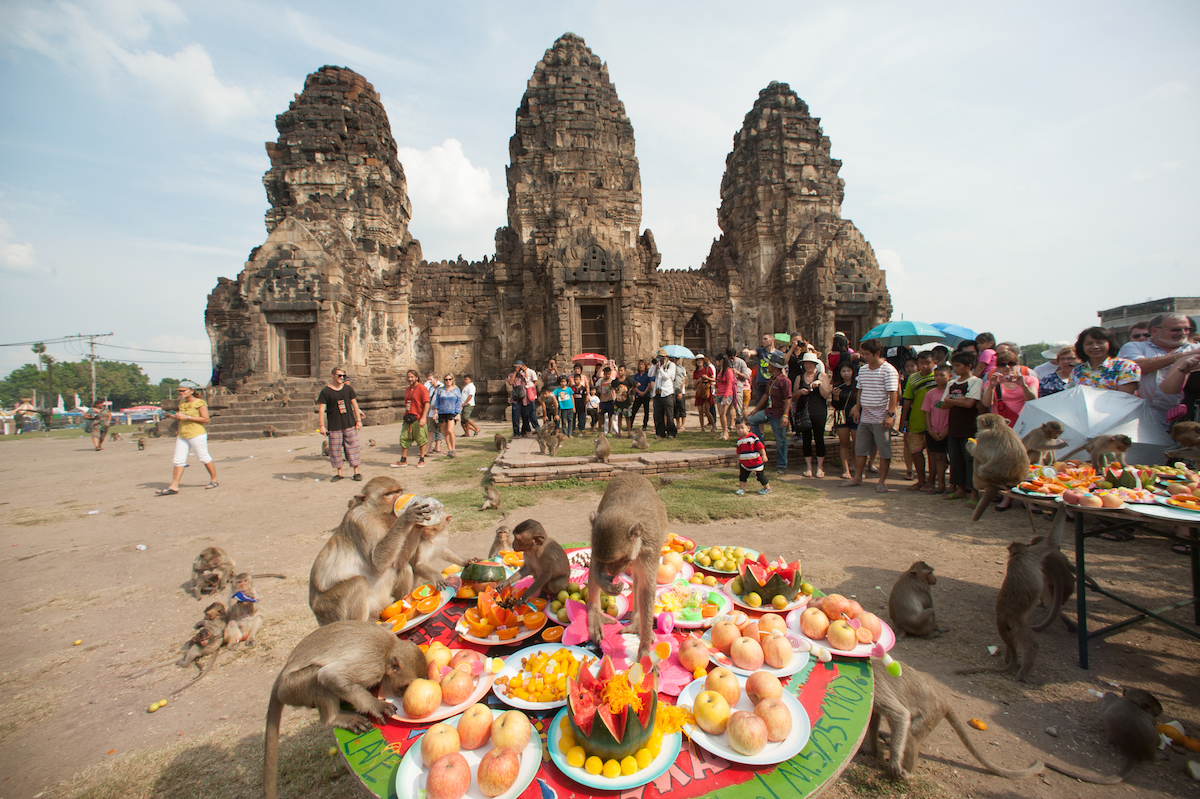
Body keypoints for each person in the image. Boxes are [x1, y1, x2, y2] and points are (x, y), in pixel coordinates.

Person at [1117, 312, 1200, 429]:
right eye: (1176, 329)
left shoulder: (1196, 349)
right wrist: (1181, 357)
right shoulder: (1135, 347)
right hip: (1142, 419)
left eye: (1186, 329)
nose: (1183, 333)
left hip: (1186, 419)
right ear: (1155, 331)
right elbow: (1136, 367)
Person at [840, 339, 899, 492]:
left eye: (867, 354)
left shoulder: (889, 370)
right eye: (863, 354)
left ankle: (882, 481)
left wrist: (890, 414)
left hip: (881, 415)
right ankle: (857, 477)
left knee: (884, 450)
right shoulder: (864, 370)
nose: (864, 357)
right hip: (866, 415)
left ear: (877, 353)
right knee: (860, 449)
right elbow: (860, 390)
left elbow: (893, 394)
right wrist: (857, 408)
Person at [156, 381, 217, 494]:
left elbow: (206, 419)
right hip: (183, 434)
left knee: (203, 457)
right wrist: (176, 417)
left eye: (183, 391)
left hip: (197, 433)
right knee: (178, 460)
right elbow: (183, 417)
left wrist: (187, 417)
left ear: (192, 390)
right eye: (179, 391)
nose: (181, 393)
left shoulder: (199, 403)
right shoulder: (182, 403)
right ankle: (174, 486)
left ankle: (214, 479)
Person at [941, 352, 982, 503]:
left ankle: (974, 492)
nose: (955, 369)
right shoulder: (951, 383)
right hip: (954, 426)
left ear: (969, 366)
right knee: (956, 459)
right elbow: (943, 404)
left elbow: (970, 404)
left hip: (969, 427)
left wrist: (951, 399)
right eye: (954, 366)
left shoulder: (975, 381)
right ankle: (960, 489)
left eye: (958, 365)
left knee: (970, 460)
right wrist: (960, 400)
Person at [747, 351, 792, 475]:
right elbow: (766, 395)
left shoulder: (785, 381)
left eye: (769, 365)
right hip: (769, 410)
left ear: (775, 367)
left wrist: (785, 415)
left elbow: (788, 399)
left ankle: (781, 464)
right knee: (751, 420)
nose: (767, 366)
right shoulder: (771, 380)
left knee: (781, 440)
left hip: (779, 412)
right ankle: (761, 445)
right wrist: (756, 409)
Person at [316, 366, 363, 482]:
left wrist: (358, 420)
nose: (342, 377)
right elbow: (321, 410)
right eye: (339, 375)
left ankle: (356, 472)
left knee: (353, 448)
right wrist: (321, 426)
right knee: (335, 450)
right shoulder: (325, 392)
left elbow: (354, 405)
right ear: (332, 375)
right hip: (334, 425)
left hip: (349, 423)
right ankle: (339, 473)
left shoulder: (348, 389)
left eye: (343, 375)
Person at [900, 350, 937, 491]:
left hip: (934, 421)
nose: (925, 366)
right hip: (916, 419)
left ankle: (931, 481)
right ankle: (921, 480)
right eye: (921, 363)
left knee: (933, 452)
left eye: (928, 363)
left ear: (934, 363)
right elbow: (907, 400)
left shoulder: (938, 376)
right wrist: (904, 419)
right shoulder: (913, 378)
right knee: (916, 451)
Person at [1071, 326, 1140, 396]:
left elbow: (1124, 397)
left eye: (1100, 342)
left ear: (1110, 344)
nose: (1095, 346)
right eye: (1089, 343)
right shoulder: (1077, 371)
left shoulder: (1126, 366)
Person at [793, 352, 831, 477]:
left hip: (818, 410)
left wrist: (820, 384)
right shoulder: (799, 377)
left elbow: (826, 395)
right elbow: (793, 397)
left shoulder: (822, 376)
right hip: (804, 410)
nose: (808, 366)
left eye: (810, 363)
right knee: (806, 438)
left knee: (819, 437)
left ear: (815, 364)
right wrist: (800, 392)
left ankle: (820, 467)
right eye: (806, 363)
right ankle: (808, 466)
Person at [983, 351, 1039, 426]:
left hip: (1023, 422)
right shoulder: (992, 381)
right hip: (999, 424)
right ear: (998, 367)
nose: (1007, 367)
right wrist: (991, 387)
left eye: (1011, 363)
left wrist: (1023, 386)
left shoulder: (1030, 379)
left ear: (1017, 364)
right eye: (1002, 364)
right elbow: (987, 404)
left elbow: (1033, 401)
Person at [920, 364, 952, 494]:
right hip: (934, 430)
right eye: (936, 375)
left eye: (942, 375)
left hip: (949, 431)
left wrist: (946, 431)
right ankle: (941, 485)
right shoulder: (930, 393)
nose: (938, 378)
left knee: (952, 457)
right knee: (937, 457)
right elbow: (927, 413)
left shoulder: (952, 394)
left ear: (950, 376)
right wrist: (930, 430)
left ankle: (953, 486)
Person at [391, 369, 430, 468]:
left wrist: (423, 417)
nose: (410, 379)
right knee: (404, 438)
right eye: (408, 377)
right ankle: (403, 460)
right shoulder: (408, 389)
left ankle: (422, 459)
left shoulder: (422, 388)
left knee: (421, 439)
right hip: (408, 417)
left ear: (416, 377)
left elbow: (426, 403)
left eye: (412, 377)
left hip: (418, 417)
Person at [830, 361, 859, 480]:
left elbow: (862, 399)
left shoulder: (858, 385)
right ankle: (845, 469)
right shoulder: (837, 386)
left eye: (848, 371)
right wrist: (836, 396)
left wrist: (857, 406)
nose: (846, 373)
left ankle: (857, 466)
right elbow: (835, 405)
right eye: (843, 371)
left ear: (853, 372)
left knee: (857, 443)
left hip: (855, 415)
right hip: (840, 415)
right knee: (844, 443)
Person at [734, 421, 771, 496]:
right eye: (738, 428)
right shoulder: (739, 441)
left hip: (756, 462)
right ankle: (741, 488)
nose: (740, 430)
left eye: (742, 428)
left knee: (760, 476)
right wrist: (738, 460)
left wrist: (764, 455)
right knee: (742, 476)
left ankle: (767, 488)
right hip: (745, 463)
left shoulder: (753, 438)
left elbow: (760, 447)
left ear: (748, 428)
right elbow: (738, 452)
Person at [899, 357, 919, 479]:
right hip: (907, 414)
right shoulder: (903, 381)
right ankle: (909, 470)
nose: (909, 368)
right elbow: (900, 398)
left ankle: (920, 470)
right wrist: (898, 383)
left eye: (912, 366)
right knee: (907, 442)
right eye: (907, 366)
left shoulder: (922, 381)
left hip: (920, 414)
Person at [649, 353, 678, 438]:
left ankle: (671, 432)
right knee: (657, 414)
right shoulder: (658, 365)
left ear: (666, 357)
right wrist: (654, 365)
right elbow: (650, 374)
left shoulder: (671, 365)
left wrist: (660, 369)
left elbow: (667, 376)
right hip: (657, 393)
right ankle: (660, 433)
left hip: (667, 393)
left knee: (669, 414)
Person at [507, 360, 538, 437]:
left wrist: (525, 372)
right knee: (516, 416)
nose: (518, 368)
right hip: (516, 398)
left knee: (526, 416)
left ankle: (524, 431)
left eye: (519, 367)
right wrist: (515, 372)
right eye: (516, 367)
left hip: (525, 398)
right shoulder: (511, 375)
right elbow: (510, 382)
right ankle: (516, 432)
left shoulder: (524, 374)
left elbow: (528, 382)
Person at [435, 373, 463, 458]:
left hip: (451, 412)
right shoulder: (441, 389)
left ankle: (453, 449)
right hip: (442, 412)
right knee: (445, 432)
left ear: (452, 380)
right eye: (446, 379)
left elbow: (459, 402)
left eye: (450, 379)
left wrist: (458, 413)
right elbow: (437, 401)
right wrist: (435, 412)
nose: (448, 381)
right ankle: (449, 449)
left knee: (450, 430)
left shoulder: (456, 389)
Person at [713, 352, 738, 440]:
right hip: (719, 394)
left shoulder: (728, 371)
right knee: (721, 414)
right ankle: (724, 430)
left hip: (726, 394)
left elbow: (729, 384)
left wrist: (726, 396)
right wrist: (715, 386)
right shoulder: (720, 371)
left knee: (723, 414)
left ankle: (725, 432)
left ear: (722, 360)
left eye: (717, 360)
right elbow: (719, 382)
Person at [692, 355, 716, 433]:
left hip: (707, 391)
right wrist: (698, 380)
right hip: (700, 391)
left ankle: (714, 425)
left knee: (706, 410)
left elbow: (713, 379)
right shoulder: (695, 372)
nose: (699, 362)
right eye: (698, 360)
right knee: (700, 411)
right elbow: (694, 384)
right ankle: (702, 428)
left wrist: (707, 378)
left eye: (701, 360)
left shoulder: (708, 369)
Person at [728, 347, 751, 423]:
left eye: (732, 358)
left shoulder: (741, 362)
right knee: (730, 407)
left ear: (736, 355)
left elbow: (745, 376)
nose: (731, 360)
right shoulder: (726, 362)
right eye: (729, 358)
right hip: (728, 388)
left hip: (738, 388)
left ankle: (741, 423)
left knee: (739, 408)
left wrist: (737, 372)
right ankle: (731, 424)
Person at [753, 334, 779, 403]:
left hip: (774, 383)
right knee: (760, 404)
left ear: (772, 340)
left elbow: (782, 369)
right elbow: (753, 352)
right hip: (762, 383)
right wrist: (748, 352)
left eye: (765, 339)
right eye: (762, 339)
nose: (763, 341)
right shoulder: (760, 351)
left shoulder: (779, 353)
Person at [612, 364, 635, 437]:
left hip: (626, 402)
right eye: (619, 370)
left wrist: (630, 389)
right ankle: (619, 432)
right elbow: (611, 387)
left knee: (628, 418)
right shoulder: (616, 381)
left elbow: (637, 384)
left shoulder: (628, 380)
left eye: (621, 370)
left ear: (625, 371)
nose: (620, 372)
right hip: (618, 402)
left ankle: (629, 433)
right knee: (619, 417)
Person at [630, 360, 653, 430]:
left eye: (642, 364)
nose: (641, 366)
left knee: (646, 411)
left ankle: (644, 425)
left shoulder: (648, 375)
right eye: (640, 364)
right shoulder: (636, 376)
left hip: (646, 395)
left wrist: (644, 392)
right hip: (638, 395)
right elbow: (634, 385)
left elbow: (649, 385)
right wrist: (639, 392)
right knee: (633, 410)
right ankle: (630, 425)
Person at [424, 372, 444, 453]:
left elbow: (442, 400)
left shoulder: (441, 387)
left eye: (430, 379)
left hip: (439, 412)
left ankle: (438, 447)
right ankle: (429, 448)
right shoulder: (430, 387)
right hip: (430, 412)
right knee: (430, 431)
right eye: (428, 379)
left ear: (435, 379)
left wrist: (435, 406)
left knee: (440, 430)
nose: (429, 381)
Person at [596, 366, 616, 435]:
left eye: (608, 374)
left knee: (610, 416)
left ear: (610, 373)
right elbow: (597, 385)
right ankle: (599, 431)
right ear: (604, 373)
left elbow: (616, 387)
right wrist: (600, 391)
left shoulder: (612, 380)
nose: (607, 375)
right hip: (603, 400)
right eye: (606, 374)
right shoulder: (601, 380)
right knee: (600, 415)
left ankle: (609, 431)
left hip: (610, 400)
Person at [673, 357, 688, 432]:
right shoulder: (671, 368)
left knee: (682, 407)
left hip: (680, 390)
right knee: (675, 408)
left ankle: (683, 424)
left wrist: (681, 391)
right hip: (673, 389)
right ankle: (677, 423)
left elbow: (683, 379)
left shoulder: (681, 368)